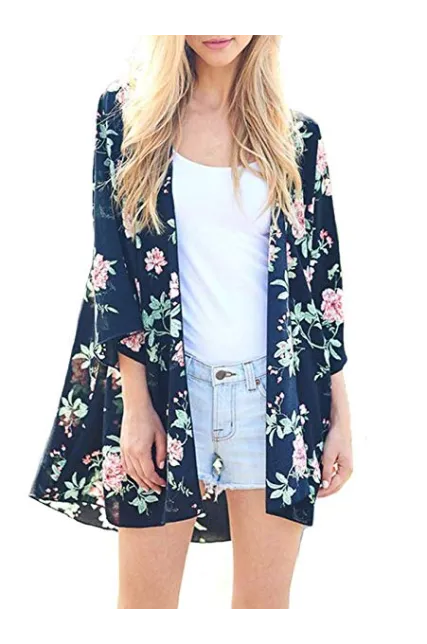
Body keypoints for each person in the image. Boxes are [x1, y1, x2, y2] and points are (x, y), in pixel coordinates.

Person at [29, 33, 352, 613]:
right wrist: (135, 405)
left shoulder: (298, 137)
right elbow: (112, 268)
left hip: (273, 400)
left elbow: (322, 287)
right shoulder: (127, 116)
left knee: (262, 616)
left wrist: (341, 417)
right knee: (144, 614)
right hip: (164, 391)